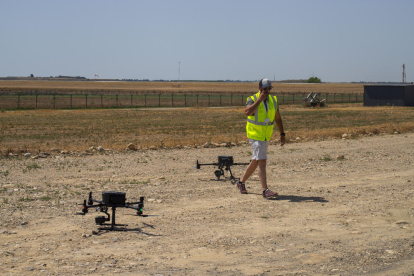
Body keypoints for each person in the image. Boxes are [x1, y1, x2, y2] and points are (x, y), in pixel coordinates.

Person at [237, 78, 285, 198]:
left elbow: (277, 118)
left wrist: (282, 133)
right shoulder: (252, 99)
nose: (267, 91)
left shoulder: (273, 100)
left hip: (265, 136)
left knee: (256, 160)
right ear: (259, 88)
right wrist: (259, 100)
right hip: (254, 135)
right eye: (265, 88)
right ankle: (265, 190)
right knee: (262, 161)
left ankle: (241, 182)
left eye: (269, 88)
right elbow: (247, 112)